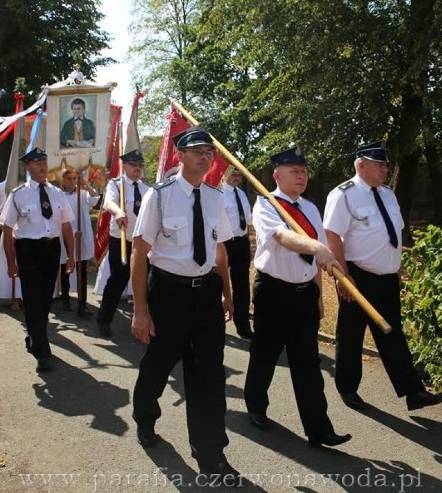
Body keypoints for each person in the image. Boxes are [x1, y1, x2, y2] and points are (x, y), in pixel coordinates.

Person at [130, 127, 240, 484]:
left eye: (209, 151)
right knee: (157, 366)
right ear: (180, 156)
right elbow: (140, 253)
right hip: (168, 294)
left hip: (206, 294)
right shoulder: (159, 197)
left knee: (208, 376)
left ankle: (211, 455)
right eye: (196, 151)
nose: (205, 156)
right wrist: (141, 310)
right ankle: (145, 418)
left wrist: (227, 291)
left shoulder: (215, 196)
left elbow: (219, 250)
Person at [244, 146, 351, 449]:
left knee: (307, 364)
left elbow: (316, 254)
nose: (301, 175)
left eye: (303, 170)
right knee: (265, 354)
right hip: (274, 292)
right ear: (277, 174)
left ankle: (319, 429)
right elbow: (282, 237)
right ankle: (255, 406)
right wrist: (316, 248)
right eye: (294, 170)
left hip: (304, 295)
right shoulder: (267, 205)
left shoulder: (310, 209)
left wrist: (317, 294)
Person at [323, 141, 442, 411]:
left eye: (386, 165)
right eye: (379, 164)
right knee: (352, 335)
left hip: (387, 277)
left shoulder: (388, 194)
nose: (385, 169)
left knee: (393, 335)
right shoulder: (343, 194)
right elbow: (332, 234)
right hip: (358, 275)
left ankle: (413, 392)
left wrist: (395, 267)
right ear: (361, 165)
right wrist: (342, 275)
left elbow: (393, 234)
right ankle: (348, 389)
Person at [0, 147, 75, 373]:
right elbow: (6, 229)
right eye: (37, 163)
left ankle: (33, 335)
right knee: (32, 298)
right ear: (28, 167)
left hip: (52, 249)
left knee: (45, 300)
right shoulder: (18, 194)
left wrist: (70, 255)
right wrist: (11, 261)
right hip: (28, 250)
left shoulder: (57, 193)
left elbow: (66, 226)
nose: (43, 166)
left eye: (44, 162)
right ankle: (43, 352)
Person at [95, 150, 150, 337]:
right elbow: (108, 202)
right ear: (124, 166)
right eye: (134, 165)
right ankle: (104, 320)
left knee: (145, 283)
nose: (137, 169)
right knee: (117, 281)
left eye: (140, 165)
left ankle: (146, 322)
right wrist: (118, 212)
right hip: (121, 240)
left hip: (142, 243)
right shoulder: (116, 184)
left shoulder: (147, 190)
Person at [59, 167, 100, 317]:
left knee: (81, 269)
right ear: (63, 180)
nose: (72, 181)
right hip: (66, 235)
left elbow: (95, 199)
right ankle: (65, 300)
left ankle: (82, 304)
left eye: (74, 178)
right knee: (66, 268)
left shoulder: (82, 194)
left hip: (81, 237)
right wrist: (71, 232)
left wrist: (85, 185)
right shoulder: (59, 196)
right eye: (68, 178)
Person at [221, 167, 254, 339]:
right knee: (218, 283)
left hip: (241, 242)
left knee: (242, 285)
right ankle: (216, 323)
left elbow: (248, 220)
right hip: (224, 242)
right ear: (225, 175)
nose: (236, 177)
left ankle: (243, 326)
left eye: (238, 175)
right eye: (232, 174)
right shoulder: (219, 194)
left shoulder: (241, 194)